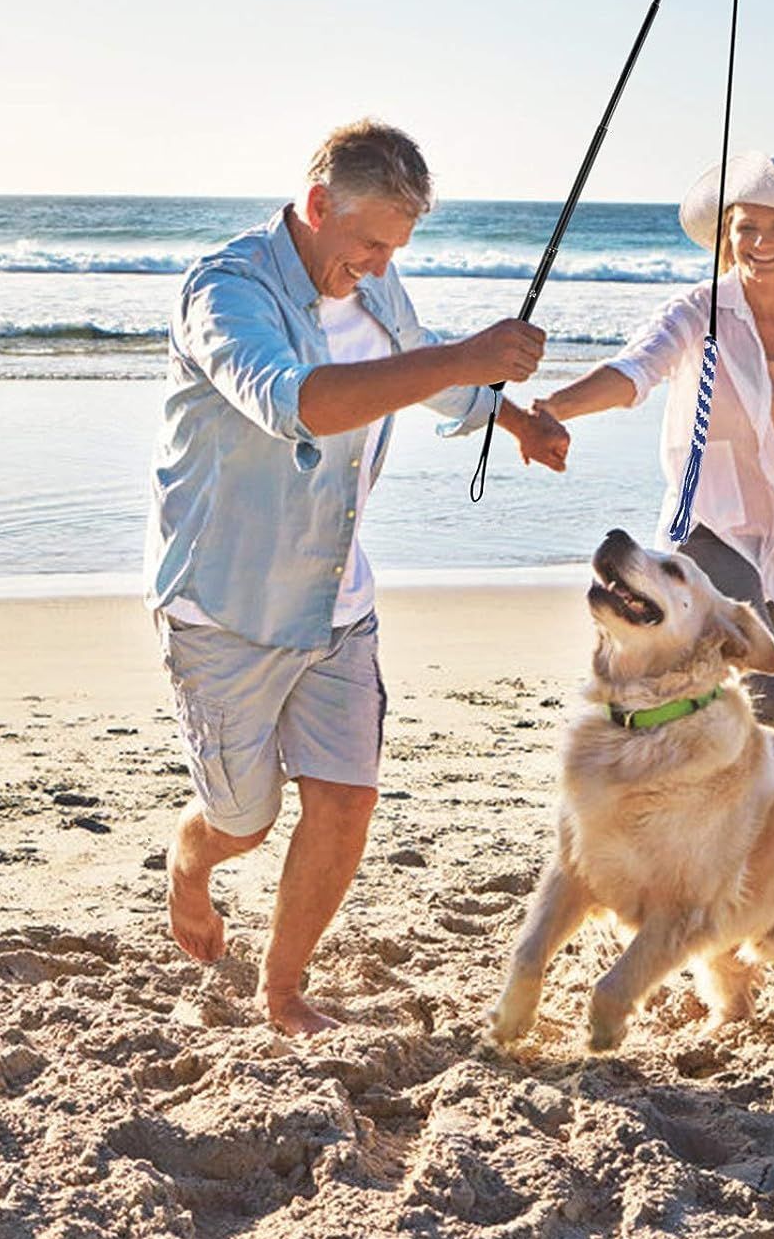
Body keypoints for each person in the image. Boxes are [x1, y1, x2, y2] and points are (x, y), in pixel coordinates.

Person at [145, 119, 569, 1035]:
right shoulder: (227, 293)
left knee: (346, 802)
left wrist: (513, 416)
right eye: (370, 242)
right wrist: (463, 357)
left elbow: (430, 380)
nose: (380, 265)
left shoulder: (375, 286)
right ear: (315, 206)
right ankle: (191, 854)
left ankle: (282, 990)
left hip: (337, 596)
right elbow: (297, 404)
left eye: (397, 247)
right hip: (226, 604)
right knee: (244, 823)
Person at [532, 151, 774, 727]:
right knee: (766, 690)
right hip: (714, 523)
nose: (761, 242)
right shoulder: (701, 309)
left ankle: (695, 791)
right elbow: (635, 371)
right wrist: (556, 408)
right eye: (746, 227)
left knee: (730, 694)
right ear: (727, 236)